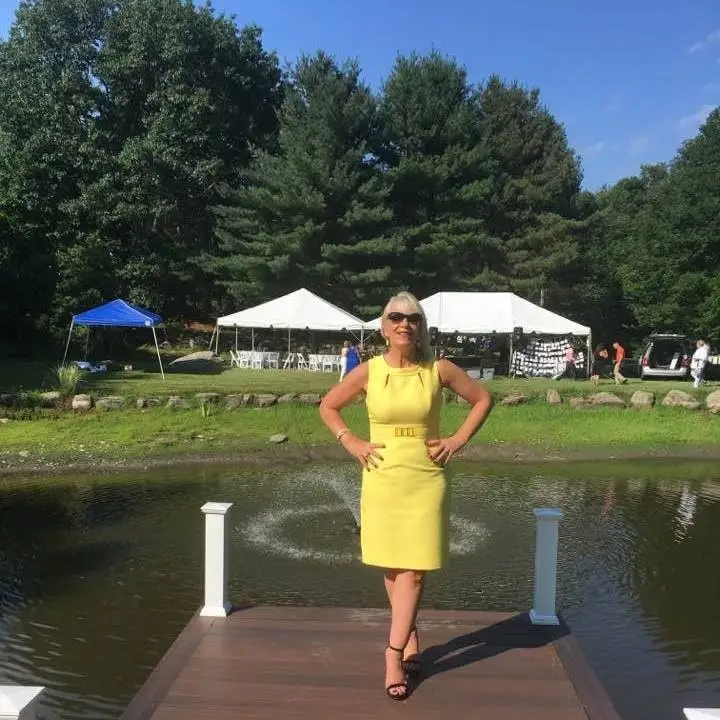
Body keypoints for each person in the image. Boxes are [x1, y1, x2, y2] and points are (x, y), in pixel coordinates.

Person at [319, 291, 493, 700]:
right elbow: (328, 407)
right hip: (381, 475)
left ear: (421, 327)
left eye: (412, 319)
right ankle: (410, 635)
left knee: (415, 569)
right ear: (384, 327)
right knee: (394, 569)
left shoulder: (439, 368)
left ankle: (393, 653)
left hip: (426, 476)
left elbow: (482, 399)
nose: (404, 324)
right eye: (395, 318)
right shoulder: (369, 371)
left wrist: (457, 440)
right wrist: (352, 442)